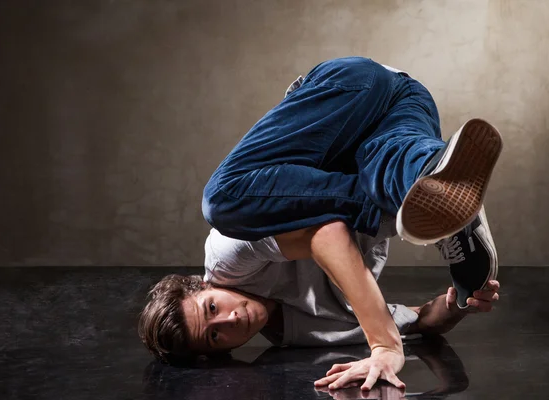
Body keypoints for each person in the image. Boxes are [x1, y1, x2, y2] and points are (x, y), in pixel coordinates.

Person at [139, 57, 503, 391]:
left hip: (342, 96)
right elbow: (421, 322)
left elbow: (327, 233)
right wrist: (460, 303)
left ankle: (418, 204)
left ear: (204, 286)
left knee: (222, 200)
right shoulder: (305, 332)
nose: (232, 320)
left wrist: (383, 344)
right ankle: (426, 180)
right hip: (406, 100)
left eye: (212, 309)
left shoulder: (227, 260)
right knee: (389, 165)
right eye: (216, 337)